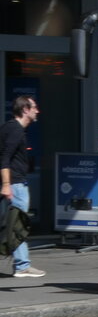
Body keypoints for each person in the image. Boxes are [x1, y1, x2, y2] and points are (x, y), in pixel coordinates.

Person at [1, 95, 45, 278]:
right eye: (34, 107)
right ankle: (22, 265)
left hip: (13, 182)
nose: (37, 111)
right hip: (16, 184)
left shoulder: (9, 127)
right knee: (19, 225)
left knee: (13, 224)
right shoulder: (16, 130)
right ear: (25, 110)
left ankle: (21, 264)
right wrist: (6, 185)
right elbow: (4, 158)